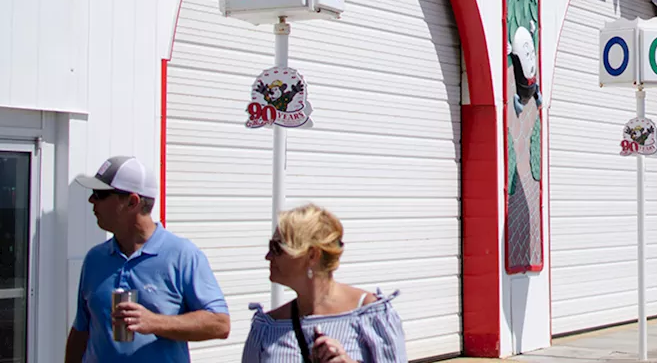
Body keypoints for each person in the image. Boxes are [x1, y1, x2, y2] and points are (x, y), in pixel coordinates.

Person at [65, 156, 230, 363]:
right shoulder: (95, 259)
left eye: (100, 194)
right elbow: (81, 331)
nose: (91, 201)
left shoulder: (182, 255)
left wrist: (154, 322)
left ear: (132, 202)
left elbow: (220, 323)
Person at [242, 203, 407, 362]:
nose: (268, 256)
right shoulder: (267, 328)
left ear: (312, 255)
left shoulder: (372, 316)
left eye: (276, 248)